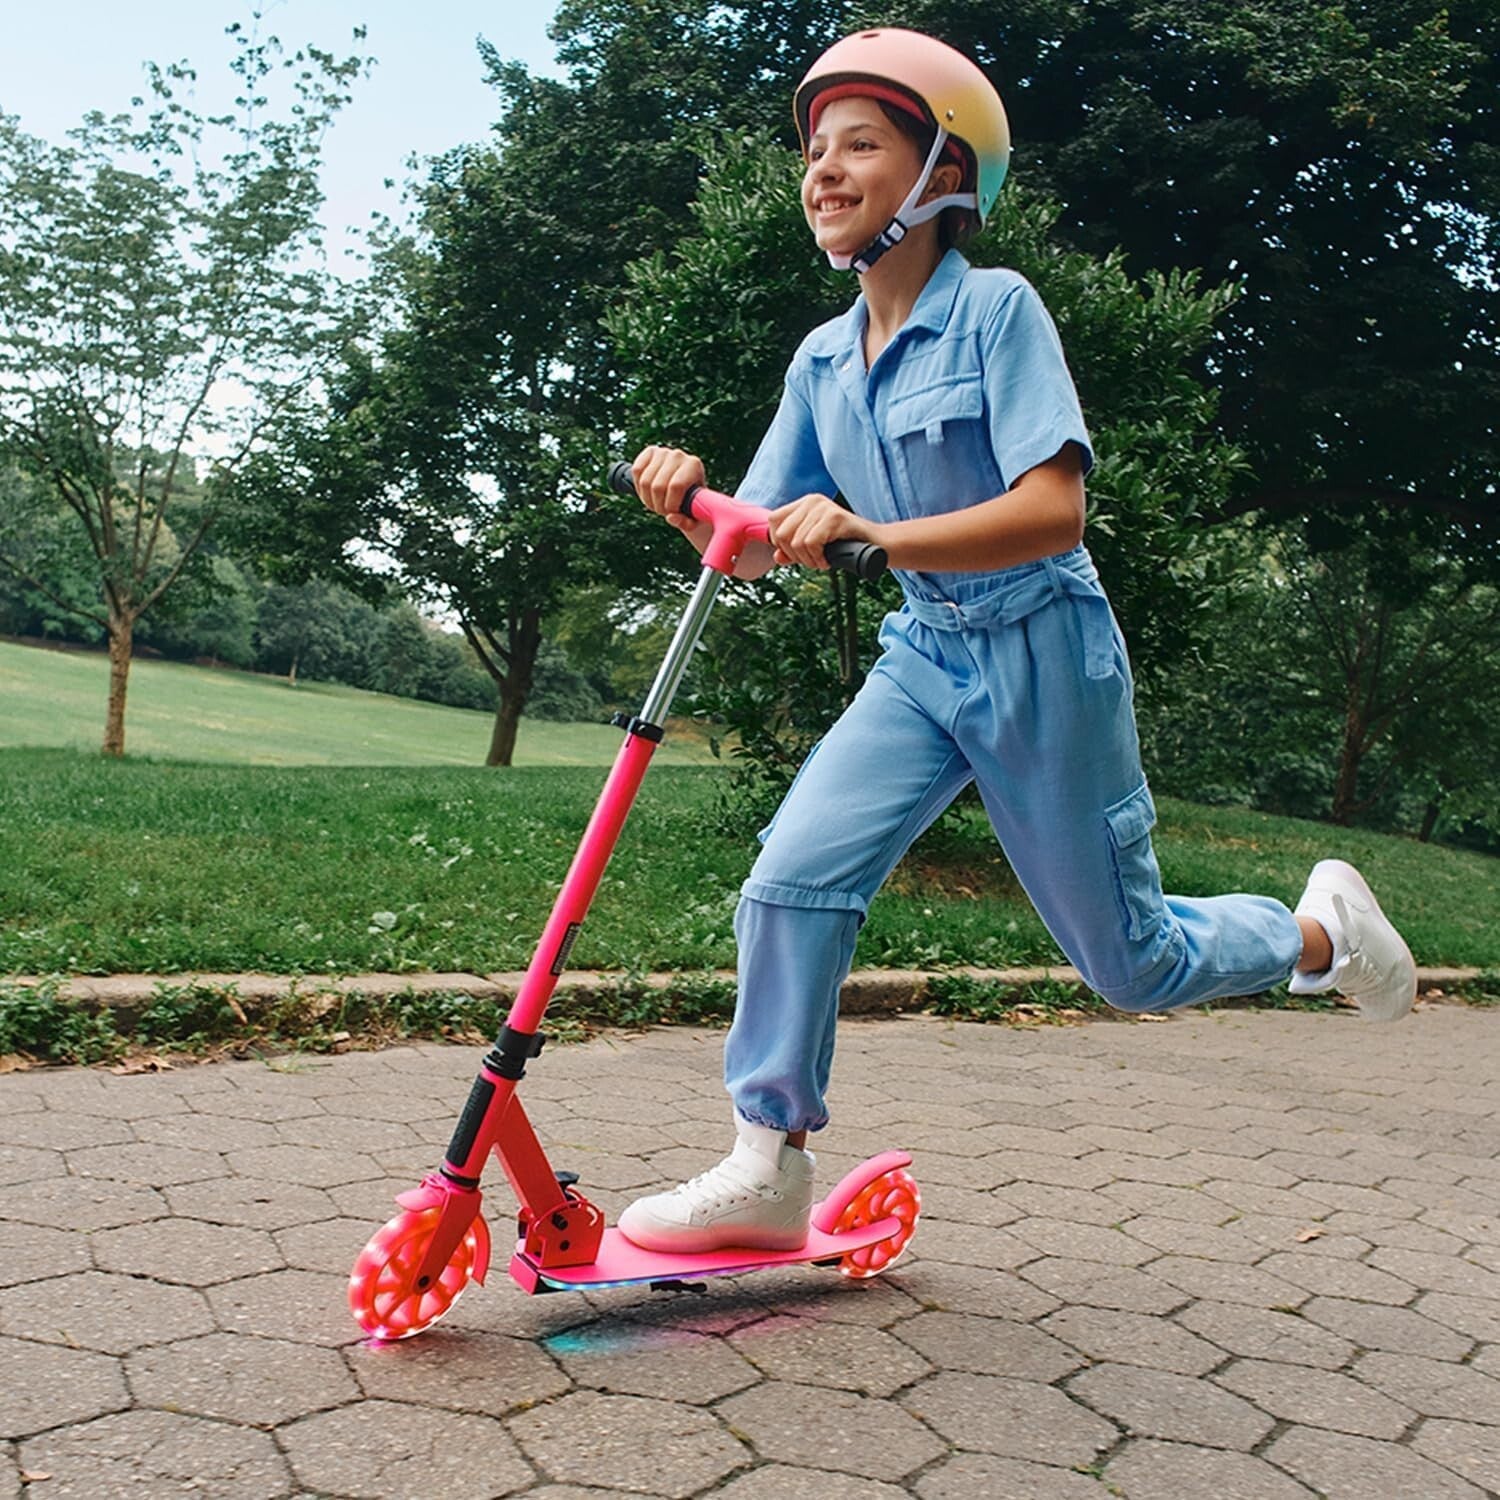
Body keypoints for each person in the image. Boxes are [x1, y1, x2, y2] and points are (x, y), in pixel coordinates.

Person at [620, 28, 1417, 1255]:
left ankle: (1322, 935)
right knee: (791, 877)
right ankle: (767, 1161)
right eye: (816, 150)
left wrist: (877, 534)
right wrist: (688, 502)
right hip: (924, 656)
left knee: (1130, 966)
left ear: (942, 174)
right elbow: (761, 544)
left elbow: (1054, 510)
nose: (824, 170)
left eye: (860, 145)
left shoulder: (996, 311)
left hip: (1043, 646)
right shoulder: (823, 360)